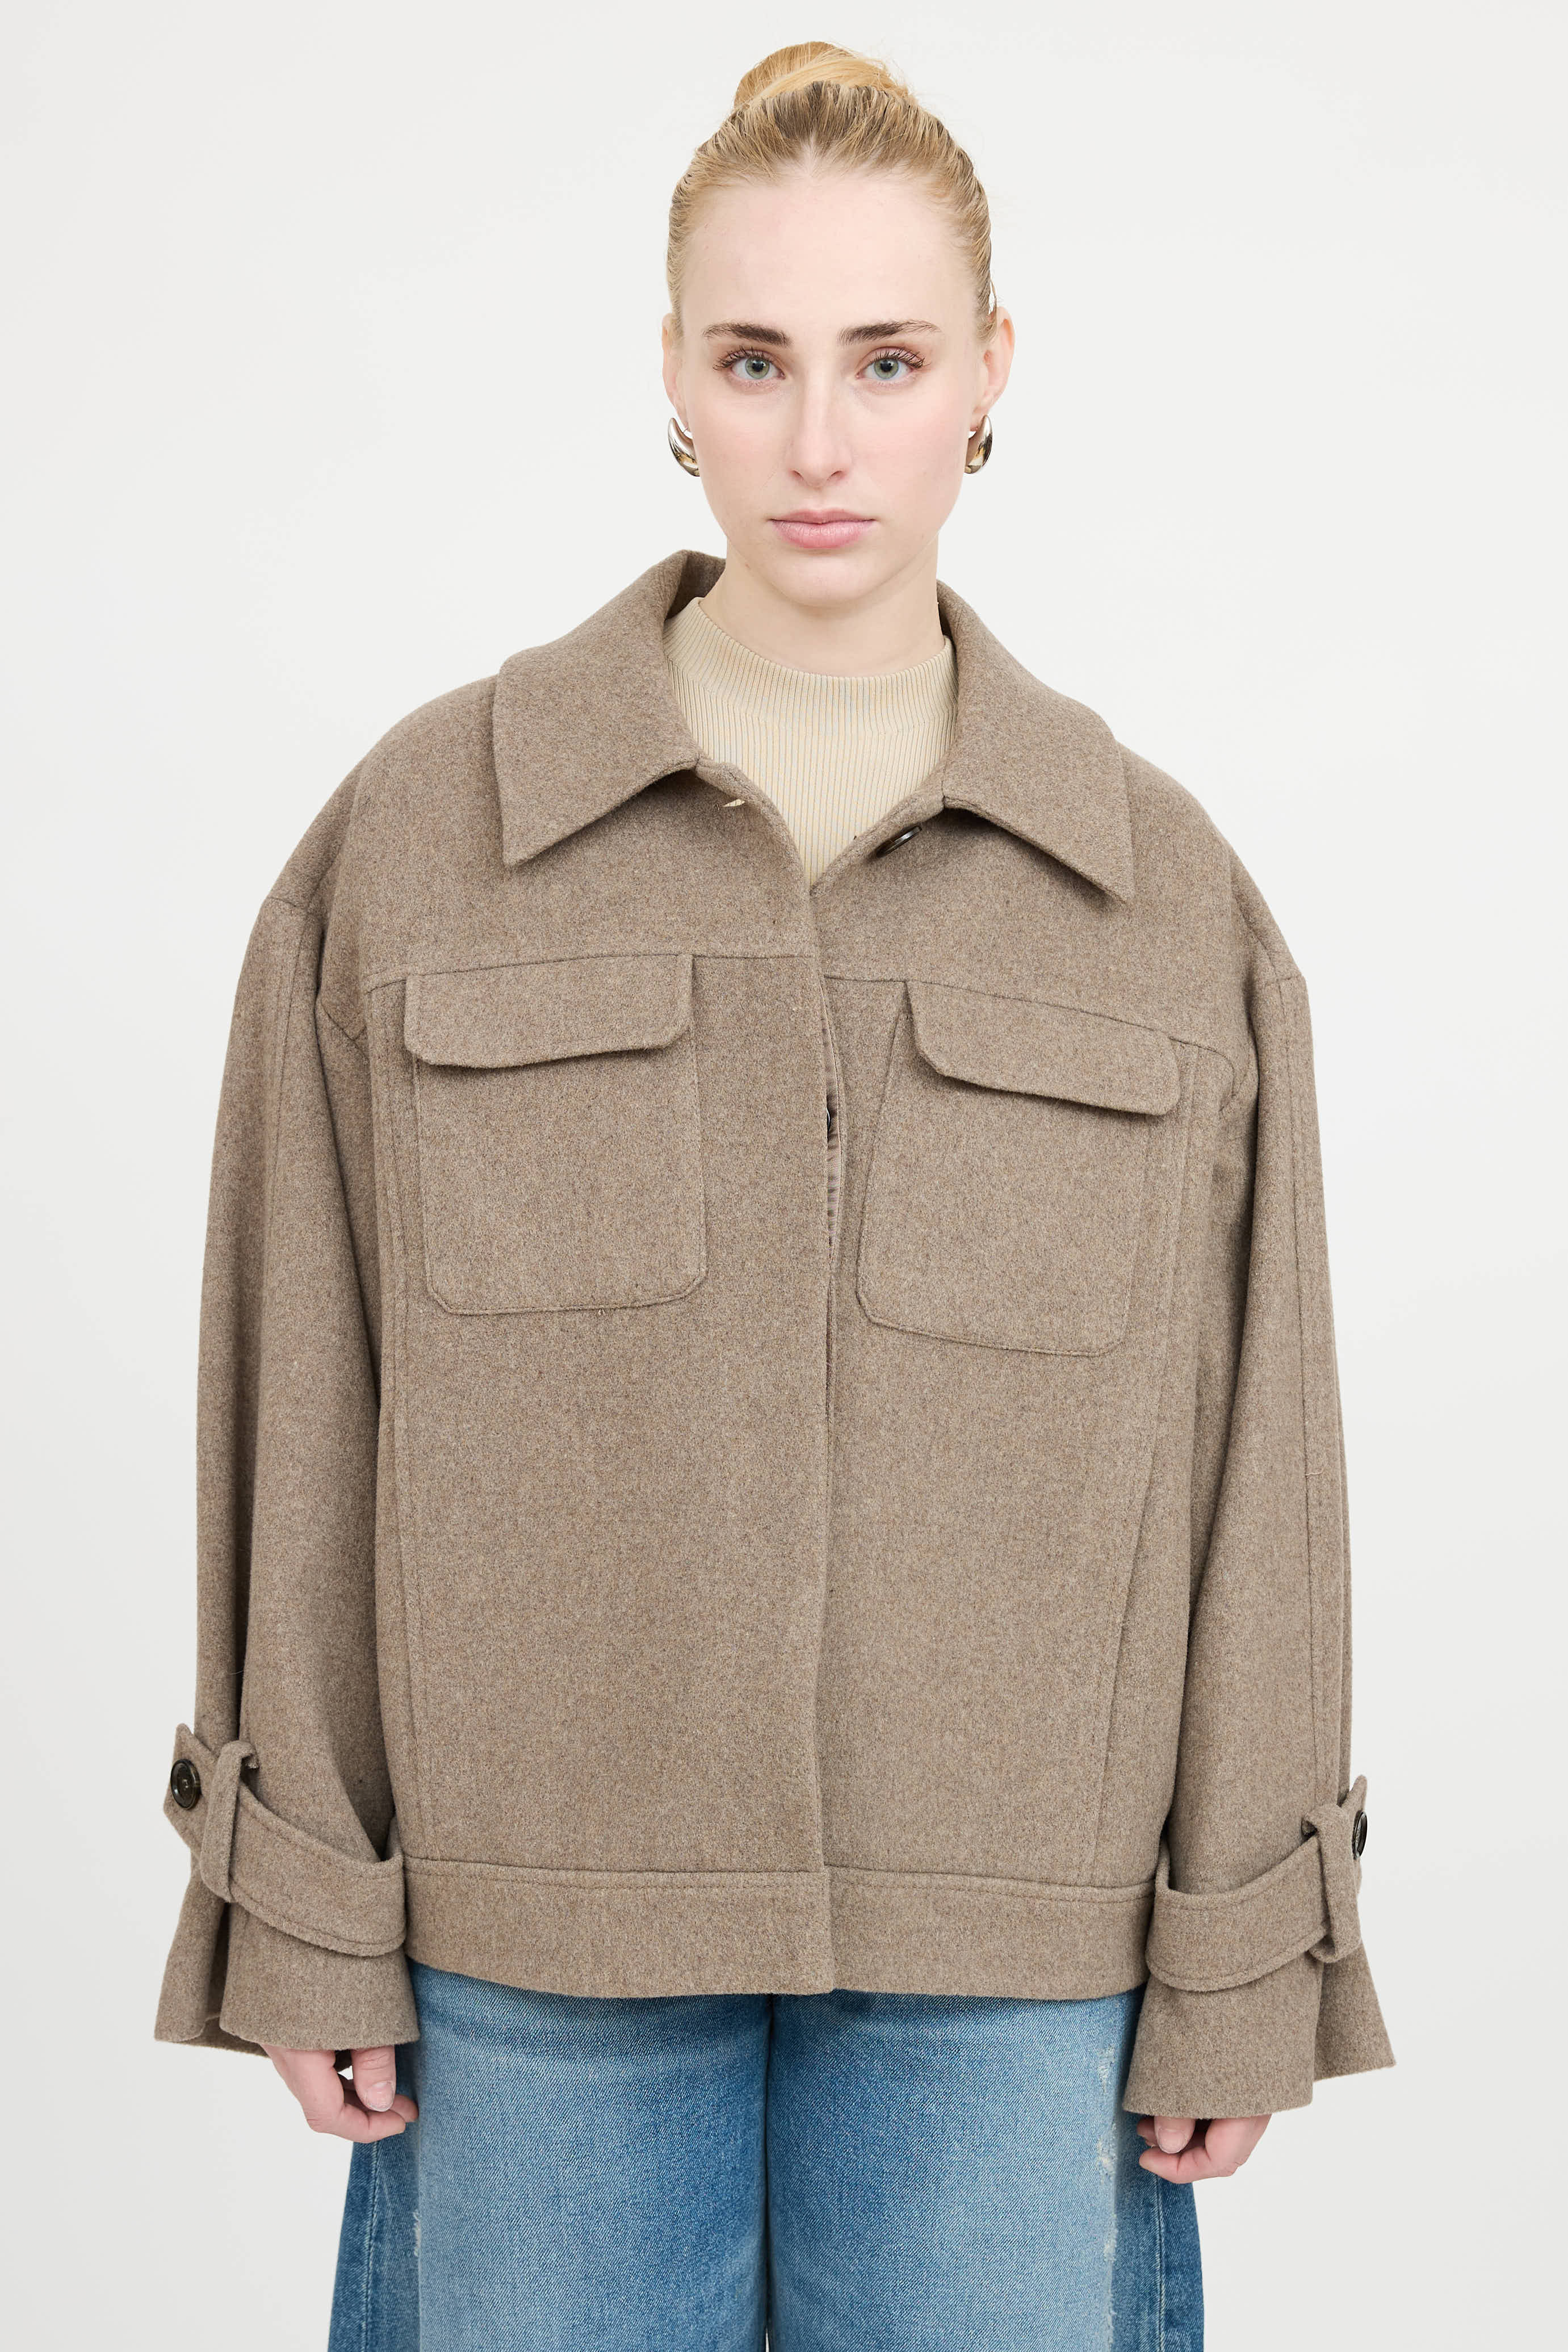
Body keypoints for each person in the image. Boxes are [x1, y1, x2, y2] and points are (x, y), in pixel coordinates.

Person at [154, 41, 1394, 2351]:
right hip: (532, 1944)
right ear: (670, 374)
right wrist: (300, 1891)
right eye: (755, 361)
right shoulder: (424, 841)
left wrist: (1246, 1937)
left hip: (1012, 1966)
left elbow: (1263, 1456)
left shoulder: (1155, 898)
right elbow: (298, 1374)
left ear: (990, 373)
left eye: (886, 362)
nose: (820, 441)